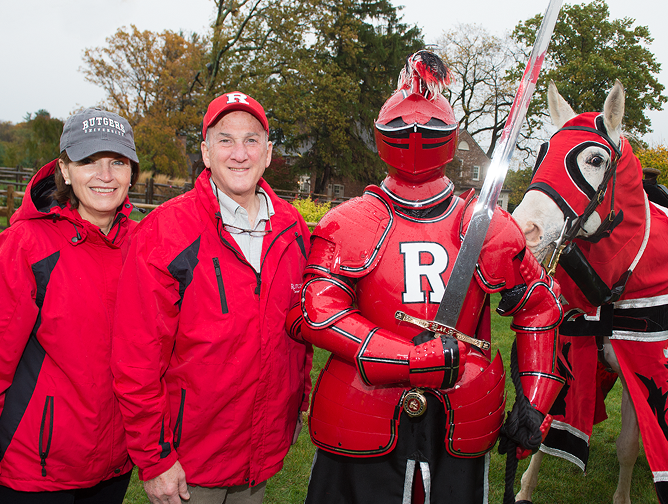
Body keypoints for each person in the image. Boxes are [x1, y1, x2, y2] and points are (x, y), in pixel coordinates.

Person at [292, 51, 565, 503]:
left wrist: (535, 401)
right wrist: (407, 358)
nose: (416, 136)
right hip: (361, 407)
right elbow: (318, 313)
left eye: (429, 129)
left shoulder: (490, 225)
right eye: (403, 129)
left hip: (466, 408)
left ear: (450, 137)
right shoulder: (350, 221)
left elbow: (539, 308)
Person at [111, 91, 313, 504]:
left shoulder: (293, 229)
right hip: (189, 461)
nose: (239, 153)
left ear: (269, 152)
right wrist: (156, 458)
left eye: (251, 140)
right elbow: (137, 358)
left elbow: (300, 331)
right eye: (225, 140)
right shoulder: (166, 232)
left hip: (259, 454)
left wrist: (297, 404)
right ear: (205, 152)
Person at [0, 108, 139, 503]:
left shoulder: (144, 246)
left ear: (132, 171)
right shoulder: (26, 245)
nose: (105, 175)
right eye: (88, 161)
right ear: (64, 168)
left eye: (117, 162)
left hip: (115, 461)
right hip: (38, 466)